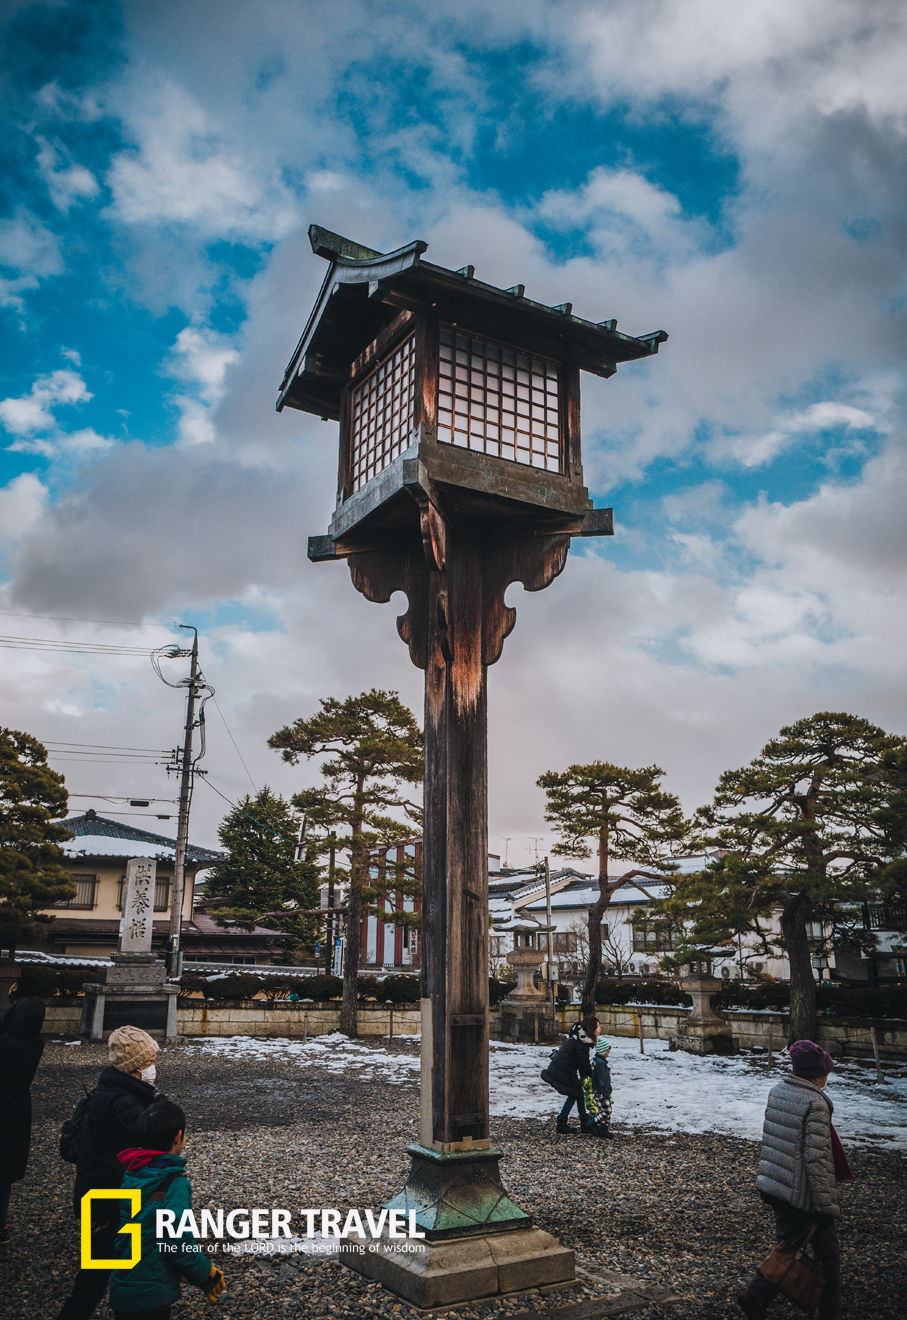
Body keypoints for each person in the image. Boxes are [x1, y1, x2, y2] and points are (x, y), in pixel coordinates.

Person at [737, 1040, 850, 1320]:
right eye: (826, 1073)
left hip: (777, 1185)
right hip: (802, 1193)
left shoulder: (779, 1091)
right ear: (816, 1074)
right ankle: (830, 1313)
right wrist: (825, 1208)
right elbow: (817, 1158)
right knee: (829, 1255)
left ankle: (756, 1297)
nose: (827, 1079)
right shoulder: (815, 1102)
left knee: (788, 1245)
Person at [56, 1025, 161, 1320]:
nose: (153, 1067)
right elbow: (150, 1142)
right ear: (134, 1067)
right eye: (149, 1062)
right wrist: (161, 1110)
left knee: (104, 1273)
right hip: (110, 1201)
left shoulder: (110, 1091)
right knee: (99, 1278)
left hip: (98, 1195)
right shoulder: (125, 1102)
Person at [109, 1100, 225, 1319]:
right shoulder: (175, 1183)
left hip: (123, 1283)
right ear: (178, 1137)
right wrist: (205, 1276)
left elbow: (145, 1228)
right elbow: (178, 1242)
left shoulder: (132, 1173)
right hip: (153, 1293)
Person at [0, 996, 46, 1245]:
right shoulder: (37, 1042)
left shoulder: (5, 1042)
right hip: (18, 1108)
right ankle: (1, 1226)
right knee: (3, 1174)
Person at [541, 1015, 599, 1133]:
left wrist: (586, 1077)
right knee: (575, 1094)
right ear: (590, 1029)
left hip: (561, 1070)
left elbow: (582, 1066)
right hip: (561, 1072)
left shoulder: (579, 1039)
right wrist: (596, 1075)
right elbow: (585, 1066)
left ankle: (581, 1123)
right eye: (597, 1027)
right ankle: (565, 1123)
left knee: (578, 1094)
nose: (600, 1029)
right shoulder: (582, 1044)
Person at [583, 1037, 614, 1138]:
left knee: (607, 1110)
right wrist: (605, 1093)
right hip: (601, 1092)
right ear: (602, 1051)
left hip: (599, 1091)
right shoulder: (601, 1064)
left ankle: (603, 1129)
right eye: (607, 1052)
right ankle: (592, 1124)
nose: (608, 1054)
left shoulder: (597, 1062)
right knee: (606, 1111)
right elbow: (602, 1080)